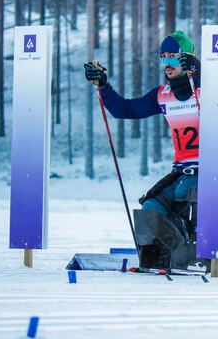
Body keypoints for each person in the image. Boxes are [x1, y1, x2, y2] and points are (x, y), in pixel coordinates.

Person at [84, 30, 203, 269]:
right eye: (163, 56)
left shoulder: (208, 90)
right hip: (180, 171)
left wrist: (200, 70)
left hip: (209, 170)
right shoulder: (163, 95)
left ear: (186, 58)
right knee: (150, 209)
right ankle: (170, 254)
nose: (167, 62)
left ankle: (198, 245)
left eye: (173, 56)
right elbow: (125, 110)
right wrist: (104, 85)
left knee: (183, 192)